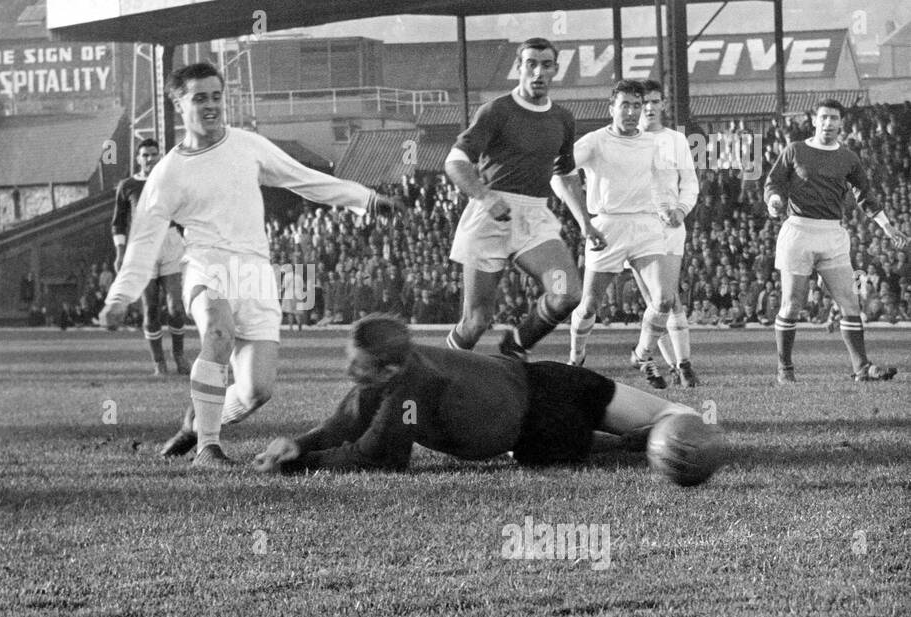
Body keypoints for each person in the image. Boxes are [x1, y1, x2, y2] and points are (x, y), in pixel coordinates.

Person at [99, 61, 403, 467]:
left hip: (256, 274)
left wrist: (364, 199)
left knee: (257, 391)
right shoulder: (168, 173)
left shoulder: (247, 145)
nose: (211, 106)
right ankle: (208, 448)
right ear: (178, 104)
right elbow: (143, 240)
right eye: (199, 98)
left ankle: (195, 425)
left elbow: (303, 178)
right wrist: (119, 298)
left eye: (216, 96)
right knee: (218, 334)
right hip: (208, 268)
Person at [251, 314, 700, 473]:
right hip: (549, 383)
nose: (349, 370)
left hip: (546, 419)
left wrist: (300, 466)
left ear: (386, 367)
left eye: (357, 364)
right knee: (675, 419)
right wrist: (300, 445)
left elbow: (379, 456)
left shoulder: (409, 385)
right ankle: (640, 442)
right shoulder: (398, 362)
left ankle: (634, 445)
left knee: (677, 424)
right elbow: (347, 421)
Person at [443, 37, 600, 360]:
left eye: (546, 65)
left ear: (555, 70)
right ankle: (438, 379)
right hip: (490, 216)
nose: (538, 72)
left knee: (566, 294)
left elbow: (566, 174)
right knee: (476, 321)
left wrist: (586, 222)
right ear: (519, 68)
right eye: (531, 64)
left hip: (534, 217)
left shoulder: (563, 118)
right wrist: (484, 196)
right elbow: (455, 162)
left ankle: (515, 346)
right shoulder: (497, 111)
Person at [764, 99, 908, 383]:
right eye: (824, 117)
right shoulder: (795, 150)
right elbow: (774, 182)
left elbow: (866, 196)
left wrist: (888, 228)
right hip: (799, 233)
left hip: (833, 234)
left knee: (850, 303)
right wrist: (775, 200)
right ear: (814, 121)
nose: (829, 123)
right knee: (792, 305)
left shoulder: (849, 158)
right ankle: (785, 369)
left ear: (842, 123)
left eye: (834, 118)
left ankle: (862, 368)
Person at [562, 80, 691, 390]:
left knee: (663, 299)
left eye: (637, 105)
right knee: (590, 305)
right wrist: (584, 222)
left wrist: (673, 209)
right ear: (612, 109)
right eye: (626, 106)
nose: (633, 112)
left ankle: (641, 354)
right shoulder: (594, 141)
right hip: (607, 226)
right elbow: (561, 172)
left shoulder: (653, 144)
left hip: (646, 226)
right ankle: (576, 358)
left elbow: (661, 184)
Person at [624, 79, 701, 387]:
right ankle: (680, 366)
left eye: (656, 101)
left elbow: (690, 183)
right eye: (644, 102)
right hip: (640, 227)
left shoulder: (677, 140)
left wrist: (680, 210)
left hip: (672, 228)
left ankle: (656, 360)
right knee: (660, 300)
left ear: (664, 105)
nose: (650, 107)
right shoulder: (624, 140)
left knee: (668, 299)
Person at [112, 137, 191, 375]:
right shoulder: (127, 186)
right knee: (151, 309)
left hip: (169, 242)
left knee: (176, 307)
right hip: (142, 246)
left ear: (160, 156)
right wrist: (119, 253)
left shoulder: (172, 182)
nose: (149, 159)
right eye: (145, 155)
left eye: (153, 154)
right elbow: (117, 223)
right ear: (138, 159)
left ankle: (179, 355)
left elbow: (188, 212)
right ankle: (159, 362)